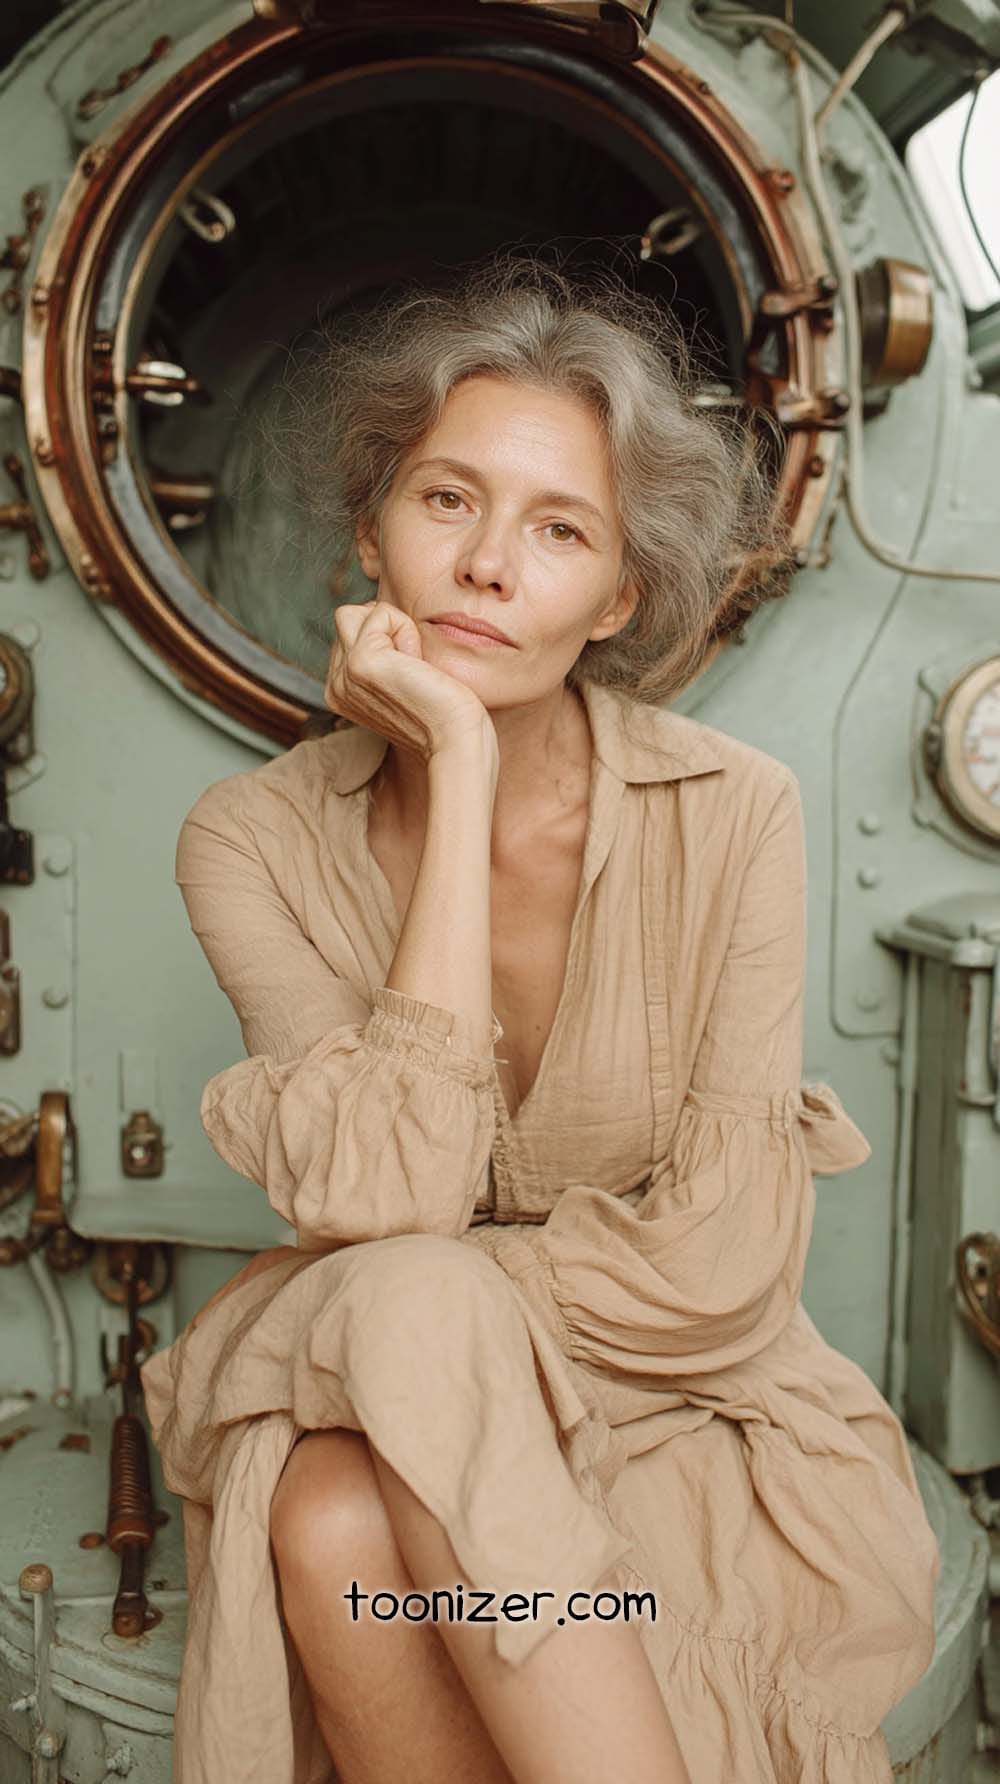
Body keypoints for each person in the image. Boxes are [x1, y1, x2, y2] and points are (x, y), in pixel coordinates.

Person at [140, 255, 941, 1784]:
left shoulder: (735, 815)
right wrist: (456, 770)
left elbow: (716, 1275)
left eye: (558, 528)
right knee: (405, 1299)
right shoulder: (246, 838)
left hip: (681, 1398)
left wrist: (437, 1301)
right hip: (401, 1358)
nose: (489, 565)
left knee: (343, 1472)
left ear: (620, 595)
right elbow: (393, 1191)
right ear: (373, 528)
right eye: (447, 502)